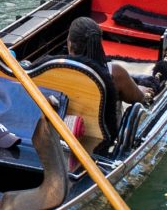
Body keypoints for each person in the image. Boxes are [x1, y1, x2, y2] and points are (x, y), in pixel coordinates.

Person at [65, 16, 158, 144]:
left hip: (67, 135)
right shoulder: (114, 72)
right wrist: (141, 90)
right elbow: (137, 98)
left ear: (70, 43)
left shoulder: (58, 69)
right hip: (105, 141)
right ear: (99, 42)